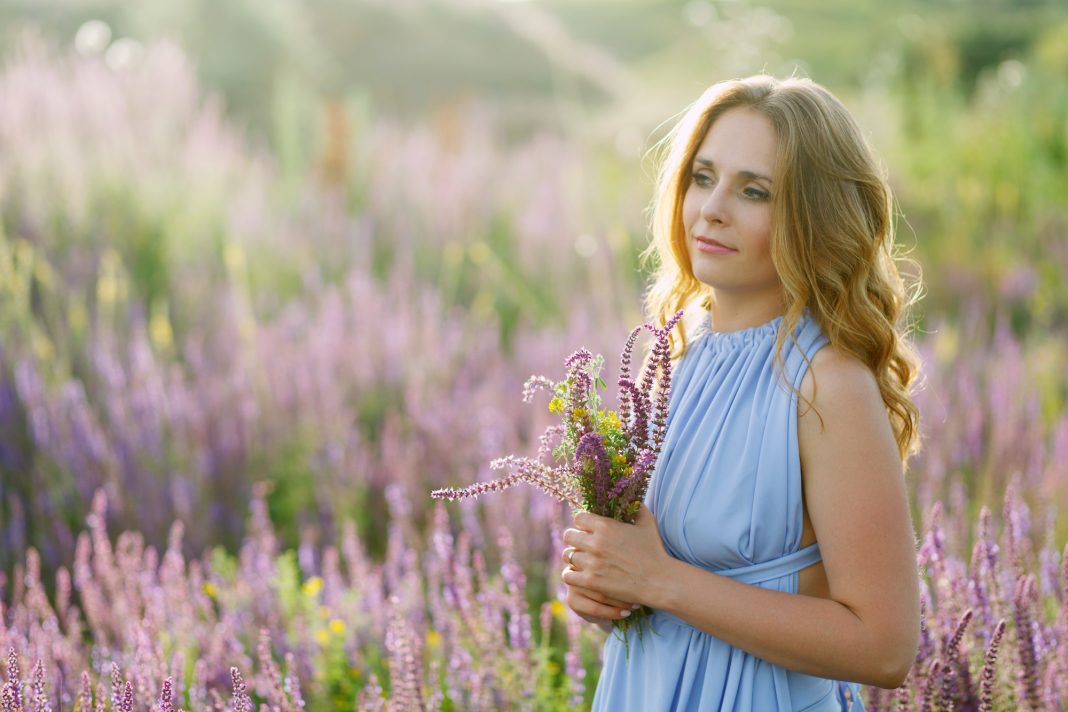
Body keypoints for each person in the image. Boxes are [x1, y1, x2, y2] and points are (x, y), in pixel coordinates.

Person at [560, 75, 922, 711]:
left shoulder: (824, 382)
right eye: (703, 177)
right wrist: (609, 591)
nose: (712, 208)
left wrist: (660, 580)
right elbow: (662, 579)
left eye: (755, 191)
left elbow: (884, 647)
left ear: (814, 219)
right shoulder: (679, 357)